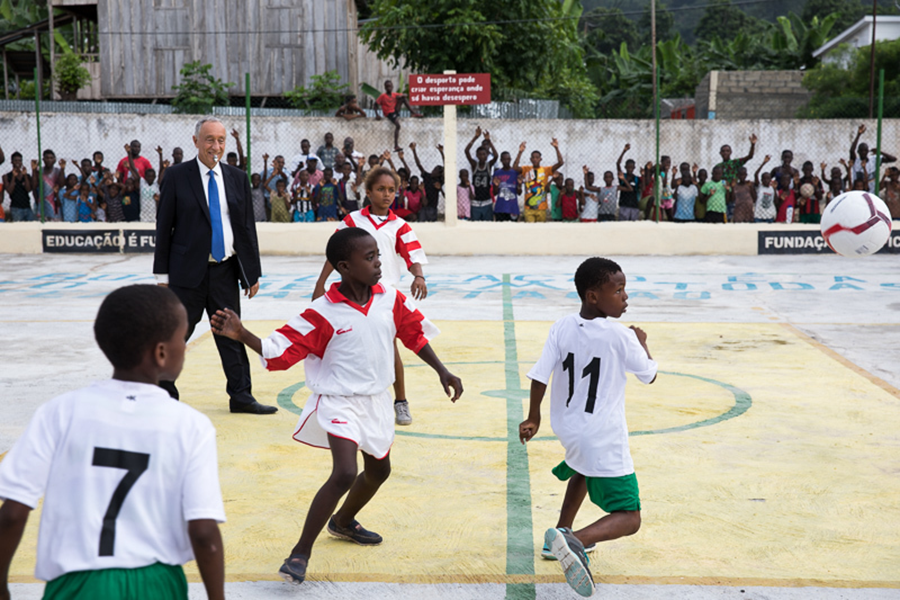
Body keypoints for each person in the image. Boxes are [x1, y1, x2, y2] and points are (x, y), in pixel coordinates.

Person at [210, 227, 462, 585]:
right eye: (370, 257)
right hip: (338, 401)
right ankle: (300, 552)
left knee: (379, 472)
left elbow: (413, 336)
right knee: (344, 472)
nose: (379, 263)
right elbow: (277, 354)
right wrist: (242, 333)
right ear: (344, 266)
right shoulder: (321, 313)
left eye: (378, 255)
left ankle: (342, 522)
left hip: (376, 401)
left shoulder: (389, 298)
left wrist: (443, 371)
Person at [0, 284, 226, 600]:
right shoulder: (191, 425)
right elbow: (204, 533)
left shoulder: (60, 412)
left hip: (76, 584)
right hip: (157, 583)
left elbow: (12, 513)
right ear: (161, 353)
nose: (184, 348)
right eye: (182, 338)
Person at [519, 257, 657, 598]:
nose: (626, 297)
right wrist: (642, 342)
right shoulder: (621, 336)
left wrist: (533, 416)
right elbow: (649, 374)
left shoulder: (561, 326)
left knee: (581, 469)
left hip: (568, 427)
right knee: (630, 516)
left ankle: (559, 535)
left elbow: (540, 374)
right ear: (593, 296)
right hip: (604, 434)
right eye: (619, 290)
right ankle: (575, 540)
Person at [153, 117, 274, 415]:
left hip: (225, 270)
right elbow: (164, 225)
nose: (215, 146)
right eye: (209, 139)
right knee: (176, 334)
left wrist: (251, 272)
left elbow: (245, 227)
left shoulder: (236, 177)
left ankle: (242, 397)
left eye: (221, 140)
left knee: (230, 334)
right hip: (186, 274)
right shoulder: (177, 176)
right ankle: (163, 395)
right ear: (195, 141)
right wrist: (162, 275)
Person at [312, 167, 430, 426]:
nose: (387, 194)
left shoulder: (399, 225)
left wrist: (418, 276)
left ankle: (400, 401)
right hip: (354, 294)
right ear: (368, 192)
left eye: (391, 190)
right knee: (350, 345)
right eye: (381, 189)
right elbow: (336, 252)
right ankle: (349, 398)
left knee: (390, 347)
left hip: (384, 295)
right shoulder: (353, 221)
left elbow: (412, 254)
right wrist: (320, 283)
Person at [514, 139, 564, 223]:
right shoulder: (526, 169)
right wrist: (520, 152)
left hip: (542, 207)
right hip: (528, 207)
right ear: (530, 159)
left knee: (540, 231)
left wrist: (556, 148)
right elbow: (515, 167)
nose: (535, 159)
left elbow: (560, 162)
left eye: (537, 157)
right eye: (533, 157)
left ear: (540, 159)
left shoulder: (546, 170)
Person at [375, 80, 422, 151]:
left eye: (390, 86)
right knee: (398, 125)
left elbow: (405, 95)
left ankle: (413, 113)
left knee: (403, 99)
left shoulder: (394, 94)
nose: (389, 88)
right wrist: (377, 115)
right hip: (389, 113)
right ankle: (396, 145)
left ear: (392, 87)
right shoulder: (383, 96)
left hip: (394, 111)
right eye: (387, 87)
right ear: (385, 87)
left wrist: (400, 96)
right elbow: (375, 105)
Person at [849, 124, 896, 193]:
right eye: (861, 151)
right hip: (860, 190)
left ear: (868, 151)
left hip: (873, 190)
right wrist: (858, 134)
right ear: (858, 152)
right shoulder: (856, 161)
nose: (863, 152)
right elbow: (851, 151)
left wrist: (880, 152)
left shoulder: (874, 159)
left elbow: (893, 159)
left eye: (865, 150)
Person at [464, 127, 498, 221]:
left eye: (484, 154)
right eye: (480, 154)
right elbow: (466, 151)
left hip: (487, 201)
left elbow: (496, 156)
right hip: (475, 202)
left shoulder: (489, 165)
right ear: (477, 156)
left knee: (487, 228)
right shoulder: (474, 165)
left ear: (487, 155)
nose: (482, 156)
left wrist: (489, 141)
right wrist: (475, 137)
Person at [409, 142, 443, 223]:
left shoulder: (439, 181)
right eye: (434, 169)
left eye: (436, 170)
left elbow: (447, 166)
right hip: (423, 206)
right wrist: (414, 151)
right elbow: (418, 164)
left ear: (439, 174)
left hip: (433, 207)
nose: (433, 171)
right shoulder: (427, 176)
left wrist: (442, 152)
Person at [32, 151, 64, 221]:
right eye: (47, 158)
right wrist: (33, 170)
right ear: (43, 160)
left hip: (55, 205)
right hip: (42, 204)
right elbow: (34, 186)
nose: (49, 160)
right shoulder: (39, 171)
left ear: (54, 160)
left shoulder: (57, 171)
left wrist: (62, 169)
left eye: (51, 158)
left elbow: (62, 184)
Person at [3, 152, 34, 222]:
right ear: (11, 162)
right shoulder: (7, 176)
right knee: (18, 229)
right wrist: (14, 176)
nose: (18, 162)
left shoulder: (27, 175)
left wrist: (25, 175)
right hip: (16, 208)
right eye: (15, 160)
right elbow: (9, 191)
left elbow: (28, 189)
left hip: (27, 207)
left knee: (31, 228)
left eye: (20, 161)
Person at [492, 151, 521, 222]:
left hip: (512, 208)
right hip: (500, 208)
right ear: (501, 160)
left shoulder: (515, 173)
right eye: (504, 159)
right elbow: (494, 193)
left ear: (510, 159)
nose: (506, 161)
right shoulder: (497, 173)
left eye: (508, 159)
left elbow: (519, 193)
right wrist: (496, 186)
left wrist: (519, 184)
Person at [616, 145, 640, 221]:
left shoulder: (636, 178)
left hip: (634, 205)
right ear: (625, 167)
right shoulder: (623, 176)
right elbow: (617, 164)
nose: (630, 169)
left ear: (634, 168)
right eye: (628, 167)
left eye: (631, 167)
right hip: (624, 205)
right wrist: (624, 151)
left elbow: (636, 189)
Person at [753, 157, 777, 223]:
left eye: (768, 178)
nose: (766, 180)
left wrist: (775, 190)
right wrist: (763, 163)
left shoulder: (772, 188)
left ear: (770, 180)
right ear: (762, 180)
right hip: (759, 216)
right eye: (764, 179)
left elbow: (775, 201)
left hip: (769, 216)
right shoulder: (759, 187)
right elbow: (755, 174)